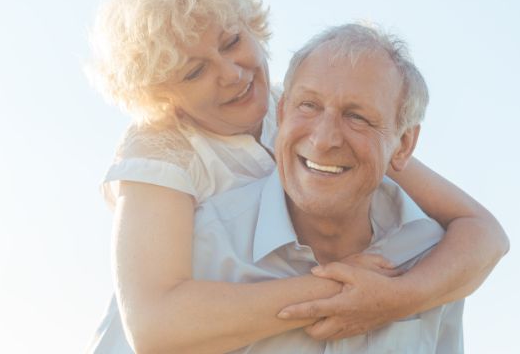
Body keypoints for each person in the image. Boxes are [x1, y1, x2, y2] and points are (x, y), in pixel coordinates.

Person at [85, 0, 509, 353]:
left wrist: (398, 297)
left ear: (253, 26)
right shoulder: (159, 151)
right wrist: (338, 291)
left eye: (232, 42)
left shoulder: (299, 110)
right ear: (163, 93)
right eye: (194, 71)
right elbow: (155, 325)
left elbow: (483, 232)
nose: (231, 73)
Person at [188, 22, 465, 353]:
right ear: (282, 112)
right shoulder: (203, 248)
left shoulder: (433, 258)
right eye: (309, 105)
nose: (324, 140)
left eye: (358, 117)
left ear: (404, 144)